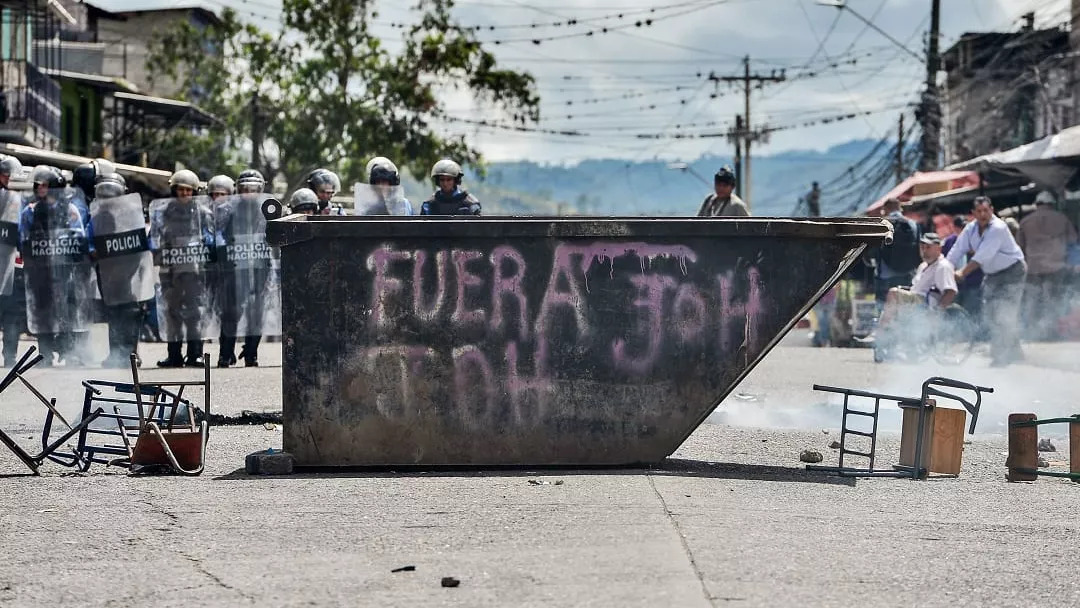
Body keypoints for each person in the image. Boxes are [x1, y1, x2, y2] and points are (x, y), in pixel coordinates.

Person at [18, 166, 93, 367]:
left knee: (67, 310)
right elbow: (22, 239)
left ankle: (69, 352)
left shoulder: (70, 210)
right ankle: (45, 354)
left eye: (44, 185)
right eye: (38, 185)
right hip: (40, 271)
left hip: (65, 270)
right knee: (43, 310)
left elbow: (79, 239)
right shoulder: (30, 211)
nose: (40, 188)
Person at [946, 196, 1027, 367]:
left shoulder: (998, 228)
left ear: (992, 210)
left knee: (1004, 312)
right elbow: (957, 250)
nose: (983, 214)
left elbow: (983, 256)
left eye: (986, 210)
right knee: (991, 313)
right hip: (992, 275)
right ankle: (1015, 351)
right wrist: (945, 269)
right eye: (979, 211)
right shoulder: (970, 229)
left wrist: (962, 272)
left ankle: (1001, 355)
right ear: (973, 213)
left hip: (1013, 271)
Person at [88, 172, 155, 368]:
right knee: (113, 311)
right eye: (104, 195)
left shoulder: (132, 214)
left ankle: (131, 353)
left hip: (129, 269)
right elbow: (90, 239)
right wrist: (93, 251)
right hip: (106, 270)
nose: (108, 199)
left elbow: (142, 240)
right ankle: (116, 354)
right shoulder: (96, 217)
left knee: (131, 311)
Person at [150, 169, 215, 368]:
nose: (185, 194)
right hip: (170, 270)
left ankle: (195, 354)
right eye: (181, 189)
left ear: (194, 191)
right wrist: (158, 250)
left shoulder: (203, 213)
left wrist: (201, 247)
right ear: (174, 190)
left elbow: (210, 239)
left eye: (189, 190)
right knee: (172, 313)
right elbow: (154, 238)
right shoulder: (163, 212)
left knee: (195, 313)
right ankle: (174, 355)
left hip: (195, 271)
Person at [215, 169, 275, 367]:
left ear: (261, 189)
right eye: (245, 189)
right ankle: (225, 354)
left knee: (256, 313)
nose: (249, 192)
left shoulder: (267, 210)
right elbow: (219, 234)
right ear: (238, 190)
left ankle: (251, 353)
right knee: (231, 312)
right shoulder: (227, 209)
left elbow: (275, 238)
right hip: (234, 268)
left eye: (253, 189)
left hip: (260, 268)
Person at [1017, 191, 1078, 340]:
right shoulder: (1062, 219)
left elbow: (1018, 248)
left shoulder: (1025, 222)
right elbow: (1073, 242)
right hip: (1056, 267)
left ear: (1037, 204)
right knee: (1054, 302)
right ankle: (1053, 333)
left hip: (1033, 268)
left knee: (1033, 302)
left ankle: (1034, 334)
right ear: (1051, 204)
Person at [873, 197, 921, 307]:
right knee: (904, 310)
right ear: (900, 208)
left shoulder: (883, 224)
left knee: (883, 310)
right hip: (908, 275)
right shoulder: (914, 224)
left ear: (885, 209)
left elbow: (874, 249)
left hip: (885, 276)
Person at [0, 156, 24, 365]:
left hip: (10, 266)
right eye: (5, 175)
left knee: (11, 313)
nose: (8, 179)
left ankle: (10, 355)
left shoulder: (17, 200)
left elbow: (22, 232)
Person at [942, 215, 984, 332]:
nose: (963, 230)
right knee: (955, 311)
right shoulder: (949, 241)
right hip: (955, 283)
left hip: (973, 282)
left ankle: (974, 333)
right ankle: (957, 333)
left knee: (972, 311)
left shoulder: (976, 241)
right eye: (960, 227)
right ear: (955, 228)